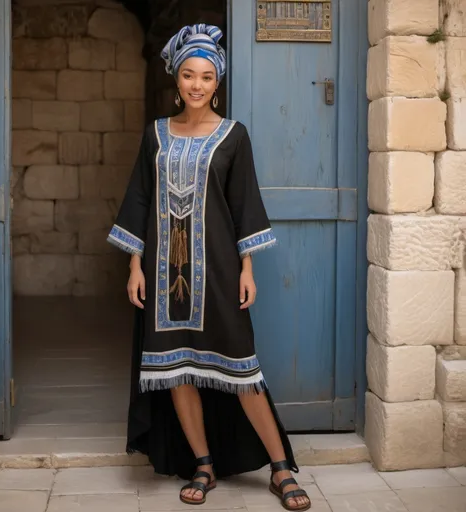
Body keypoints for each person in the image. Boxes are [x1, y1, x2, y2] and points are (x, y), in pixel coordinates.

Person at [108, 24, 311, 511]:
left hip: (219, 273)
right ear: (176, 81)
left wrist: (247, 269)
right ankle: (203, 463)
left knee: (242, 371)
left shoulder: (232, 136)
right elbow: (139, 199)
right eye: (187, 76)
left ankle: (280, 466)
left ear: (217, 82)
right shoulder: (156, 135)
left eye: (205, 77)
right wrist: (135, 266)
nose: (196, 85)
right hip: (162, 278)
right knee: (176, 371)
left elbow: (244, 205)